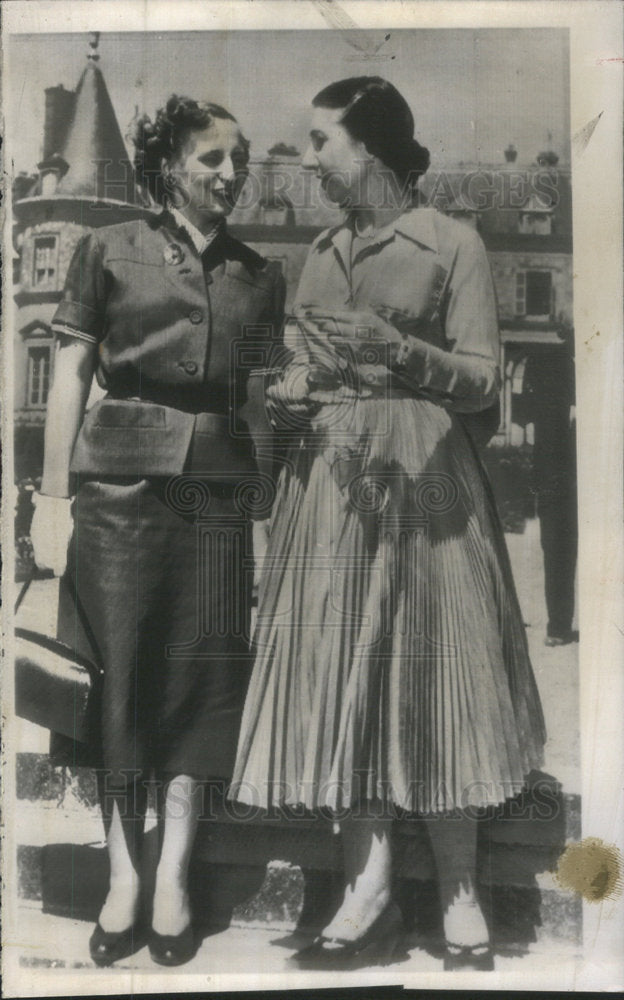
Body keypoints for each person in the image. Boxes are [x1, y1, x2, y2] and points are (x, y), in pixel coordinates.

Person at [229, 77, 546, 971]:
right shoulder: (323, 250)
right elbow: (300, 370)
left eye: (323, 142)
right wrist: (291, 393)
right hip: (332, 481)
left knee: (443, 671)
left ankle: (459, 891)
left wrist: (403, 352)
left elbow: (484, 378)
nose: (312, 158)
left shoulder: (456, 243)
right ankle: (366, 892)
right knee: (347, 678)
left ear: (369, 149)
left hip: (429, 477)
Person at [30, 94, 284, 967]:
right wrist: (51, 499)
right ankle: (123, 872)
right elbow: (68, 374)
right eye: (212, 158)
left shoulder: (260, 274)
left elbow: (256, 401)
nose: (230, 174)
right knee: (121, 677)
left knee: (201, 685)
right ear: (170, 164)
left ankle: (173, 869)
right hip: (116, 494)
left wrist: (281, 486)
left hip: (216, 500)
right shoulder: (108, 248)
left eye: (239, 159)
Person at [524, 324, 577, 645]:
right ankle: (558, 625)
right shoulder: (549, 365)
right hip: (558, 476)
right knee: (557, 548)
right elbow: (537, 425)